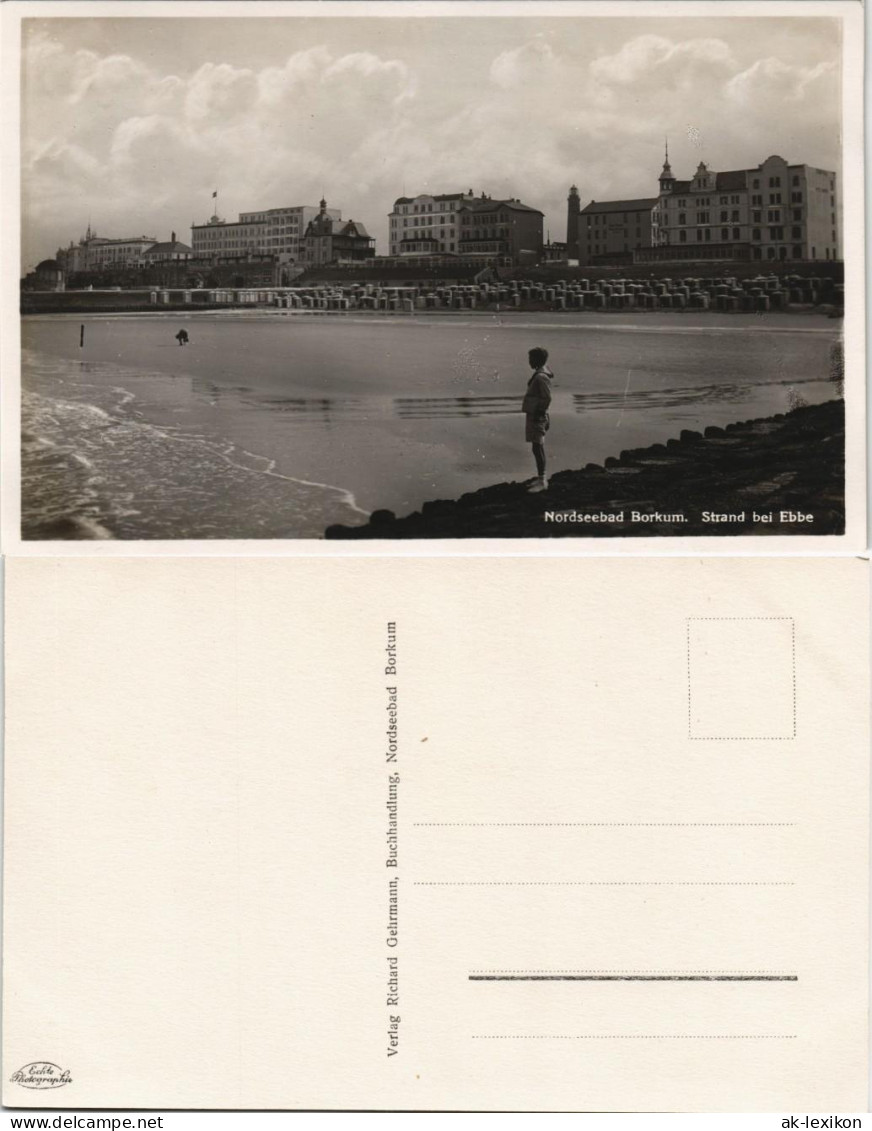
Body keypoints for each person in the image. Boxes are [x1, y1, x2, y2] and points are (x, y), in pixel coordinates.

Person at [522, 346, 553, 492]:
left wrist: (541, 414)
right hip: (537, 415)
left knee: (538, 447)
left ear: (536, 359)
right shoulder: (540, 374)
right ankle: (541, 478)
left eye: (530, 358)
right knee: (537, 447)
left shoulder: (541, 377)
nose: (529, 361)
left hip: (537, 416)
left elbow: (547, 397)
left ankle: (542, 481)